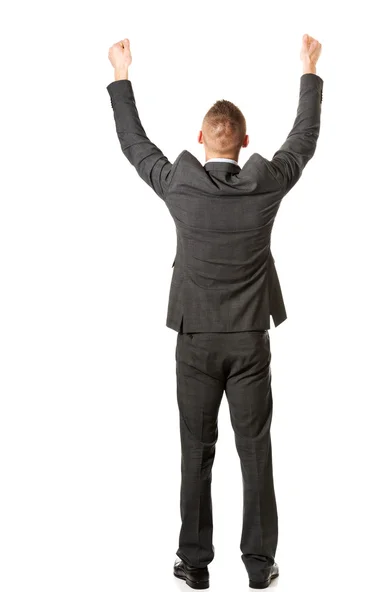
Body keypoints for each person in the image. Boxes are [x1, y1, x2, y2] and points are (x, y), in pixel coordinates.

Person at [107, 33, 323, 590]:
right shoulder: (265, 182)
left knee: (195, 452)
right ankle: (259, 567)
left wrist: (122, 75)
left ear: (201, 138)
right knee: (256, 453)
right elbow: (303, 141)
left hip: (196, 342)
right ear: (244, 141)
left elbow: (135, 145)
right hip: (250, 341)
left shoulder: (181, 183)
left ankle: (194, 564)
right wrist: (308, 70)